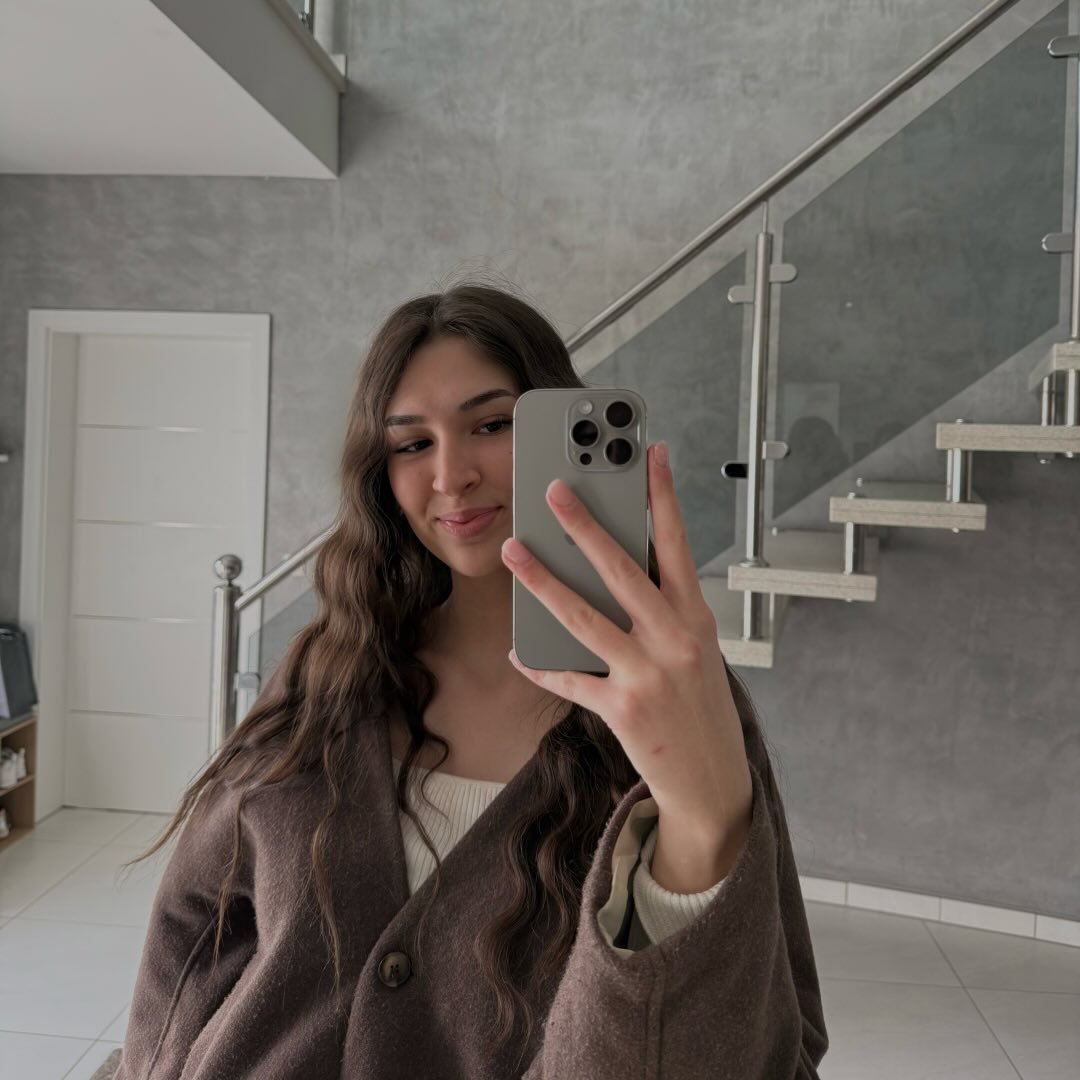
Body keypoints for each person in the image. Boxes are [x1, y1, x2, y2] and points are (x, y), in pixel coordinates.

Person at [113, 282, 828, 1079]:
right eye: (412, 444)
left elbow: (774, 1042)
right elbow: (195, 923)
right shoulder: (332, 668)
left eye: (492, 426)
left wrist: (700, 826)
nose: (450, 476)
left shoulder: (675, 701)